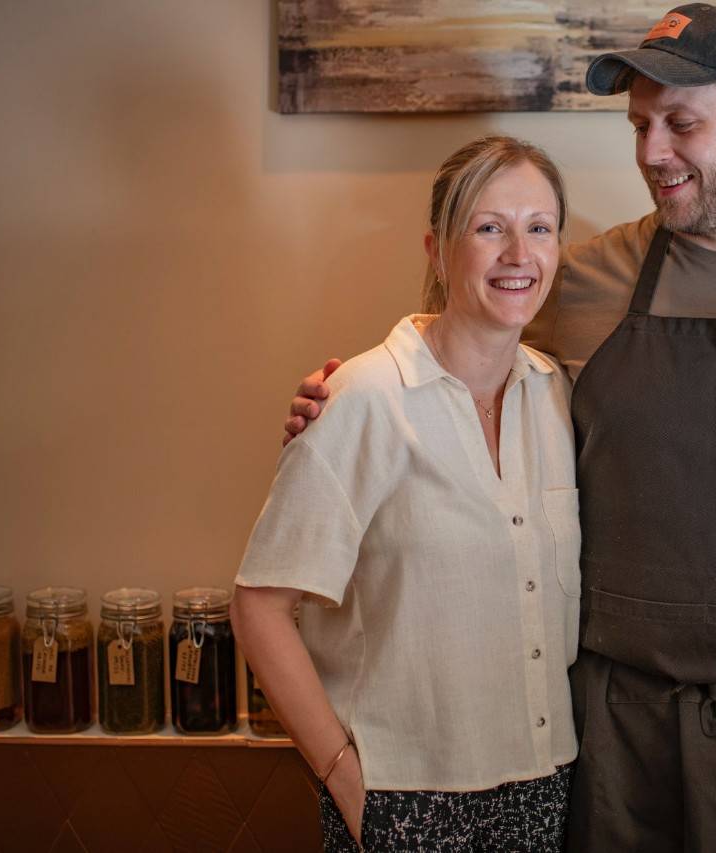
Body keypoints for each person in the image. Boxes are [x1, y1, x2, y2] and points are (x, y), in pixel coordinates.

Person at [286, 5, 716, 852]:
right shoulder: (580, 280)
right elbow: (448, 372)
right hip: (613, 742)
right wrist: (342, 394)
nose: (652, 153)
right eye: (640, 125)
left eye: (681, 124)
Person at [233, 135, 583, 852]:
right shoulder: (361, 397)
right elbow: (259, 605)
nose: (519, 253)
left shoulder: (559, 396)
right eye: (490, 227)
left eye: (539, 227)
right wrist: (345, 780)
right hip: (406, 802)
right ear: (438, 248)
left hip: (547, 789)